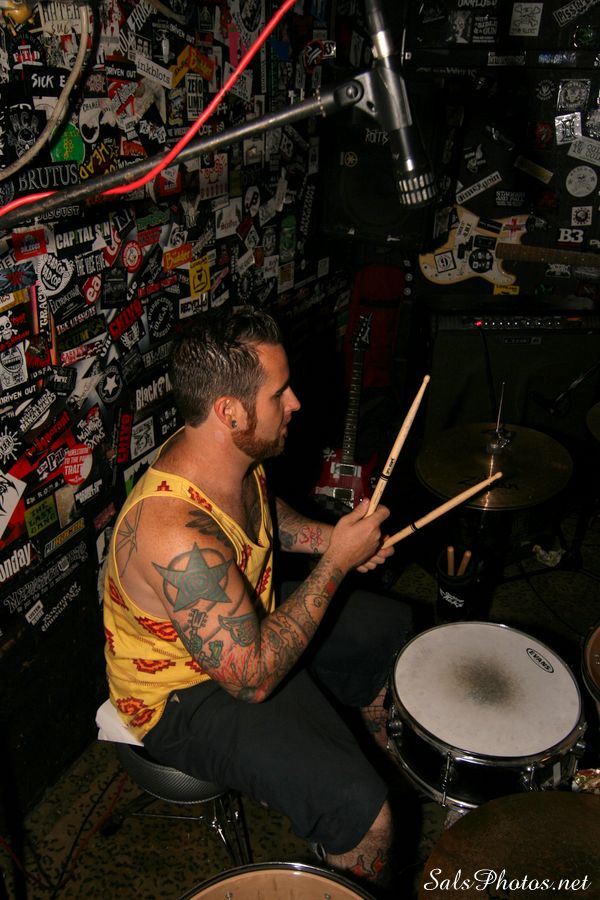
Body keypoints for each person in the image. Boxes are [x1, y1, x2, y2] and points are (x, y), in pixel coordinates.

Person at [103, 306, 412, 894]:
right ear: (230, 411)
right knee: (367, 816)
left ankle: (373, 767)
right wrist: (336, 561)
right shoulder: (173, 532)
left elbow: (265, 514)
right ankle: (353, 837)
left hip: (247, 622)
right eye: (279, 393)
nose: (294, 402)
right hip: (183, 695)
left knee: (390, 635)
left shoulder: (227, 454)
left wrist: (329, 538)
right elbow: (252, 679)